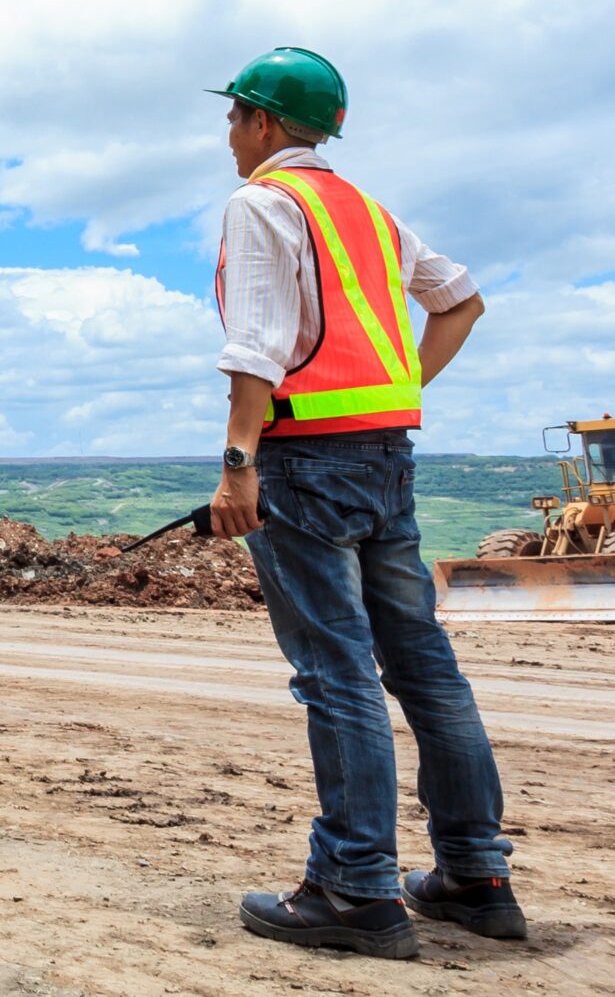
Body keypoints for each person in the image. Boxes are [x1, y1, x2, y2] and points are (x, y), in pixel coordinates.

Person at [207, 47, 522, 958]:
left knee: (336, 673)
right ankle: (475, 874)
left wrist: (239, 465)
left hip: (305, 463)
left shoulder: (262, 202)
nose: (229, 135)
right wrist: (399, 390)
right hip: (387, 458)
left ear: (264, 123)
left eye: (234, 117)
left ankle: (355, 891)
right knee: (424, 668)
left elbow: (257, 347)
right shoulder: (368, 213)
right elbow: (459, 302)